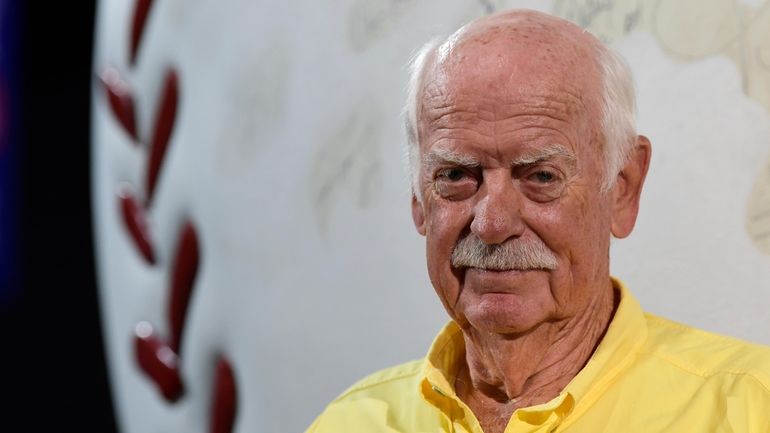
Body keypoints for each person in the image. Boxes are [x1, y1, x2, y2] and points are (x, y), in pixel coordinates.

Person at [306, 9, 770, 433]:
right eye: (456, 175)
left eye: (541, 176)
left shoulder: (748, 407)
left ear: (623, 188)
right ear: (418, 199)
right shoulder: (350, 422)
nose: (491, 223)